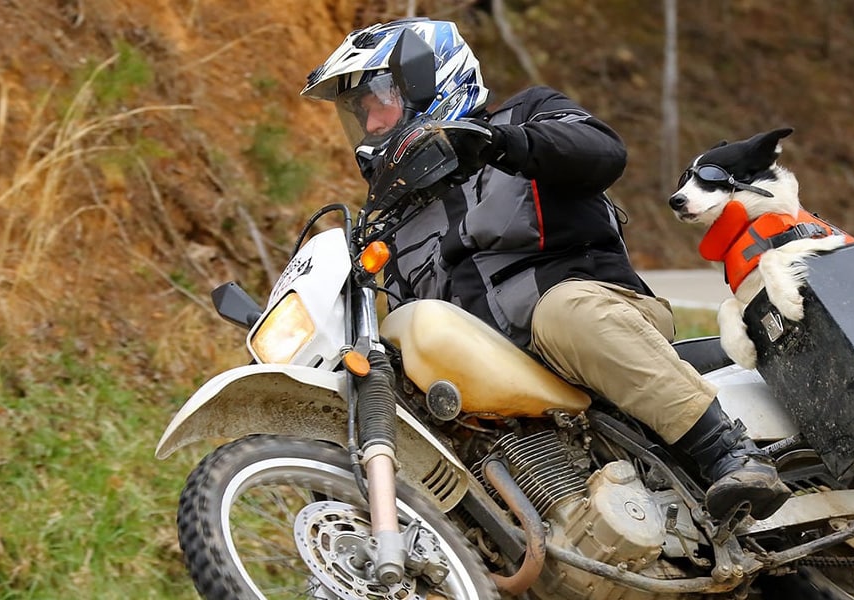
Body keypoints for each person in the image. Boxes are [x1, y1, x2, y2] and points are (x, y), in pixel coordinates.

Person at [300, 18, 790, 521]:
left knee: (564, 310)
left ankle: (728, 452)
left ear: (425, 82)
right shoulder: (396, 222)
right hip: (498, 376)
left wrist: (499, 143)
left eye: (377, 103)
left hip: (598, 311)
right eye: (358, 114)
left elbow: (603, 153)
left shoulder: (527, 115)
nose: (371, 126)